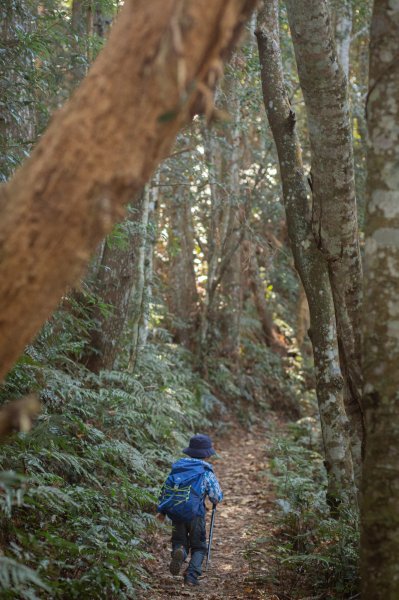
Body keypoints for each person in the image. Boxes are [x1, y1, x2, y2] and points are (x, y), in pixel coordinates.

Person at [157, 433, 223, 586]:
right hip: (196, 515)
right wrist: (214, 499)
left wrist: (162, 510)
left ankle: (180, 551)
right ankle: (191, 576)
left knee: (179, 540)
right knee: (199, 546)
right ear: (206, 455)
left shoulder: (177, 468)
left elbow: (165, 491)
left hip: (176, 513)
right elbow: (216, 496)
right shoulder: (206, 472)